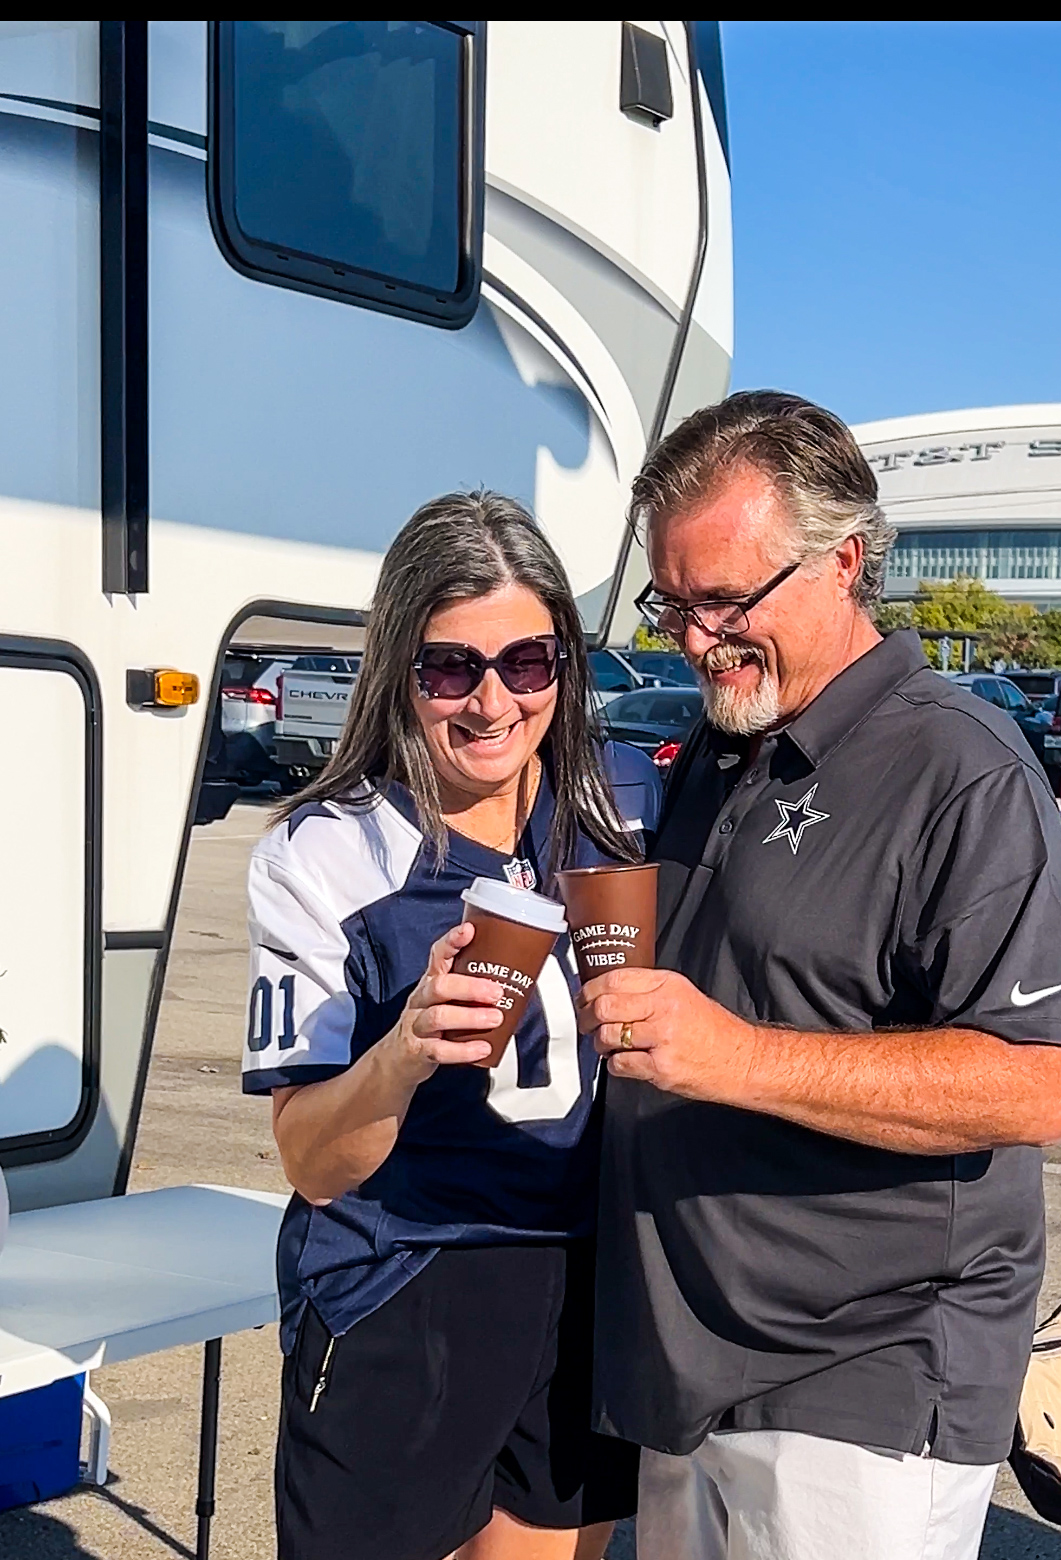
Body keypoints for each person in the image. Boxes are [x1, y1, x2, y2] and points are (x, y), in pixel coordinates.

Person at [579, 392, 1061, 1560]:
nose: (695, 640)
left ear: (846, 561)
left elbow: (1036, 1084)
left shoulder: (962, 770)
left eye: (726, 601)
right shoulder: (725, 742)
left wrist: (734, 1057)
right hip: (681, 1366)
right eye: (673, 603)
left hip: (858, 1386)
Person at [242, 491, 655, 1560]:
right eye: (449, 668)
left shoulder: (619, 801)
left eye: (528, 661)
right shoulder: (326, 852)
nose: (492, 701)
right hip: (407, 1275)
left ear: (565, 664)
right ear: (398, 669)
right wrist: (402, 1053)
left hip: (586, 1275)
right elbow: (311, 1162)